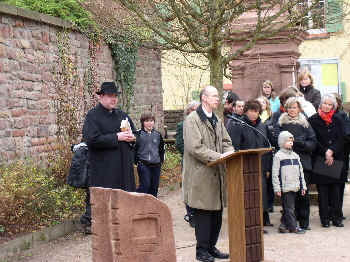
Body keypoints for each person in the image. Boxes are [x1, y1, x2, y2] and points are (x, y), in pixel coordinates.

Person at [183, 85, 234, 262]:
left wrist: (229, 152)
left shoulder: (217, 119)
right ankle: (201, 251)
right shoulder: (193, 120)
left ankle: (211, 247)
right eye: (213, 96)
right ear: (204, 98)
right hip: (201, 175)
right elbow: (194, 147)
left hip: (218, 174)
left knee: (216, 215)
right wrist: (218, 156)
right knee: (204, 215)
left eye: (217, 96)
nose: (217, 99)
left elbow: (227, 141)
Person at [82, 82, 136, 231]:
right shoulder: (93, 116)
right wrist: (116, 137)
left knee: (125, 203)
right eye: (110, 96)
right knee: (106, 206)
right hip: (104, 170)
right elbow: (91, 140)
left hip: (124, 168)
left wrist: (132, 139)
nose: (113, 99)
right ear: (101, 97)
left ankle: (125, 228)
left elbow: (135, 135)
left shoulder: (122, 115)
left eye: (115, 96)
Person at [226, 100, 273, 231]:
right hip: (245, 168)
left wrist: (268, 168)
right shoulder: (238, 125)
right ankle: (247, 224)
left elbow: (267, 147)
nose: (253, 114)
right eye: (251, 111)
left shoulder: (262, 126)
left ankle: (259, 224)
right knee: (247, 197)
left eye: (256, 111)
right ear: (246, 111)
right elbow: (234, 147)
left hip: (260, 167)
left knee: (260, 196)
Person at [273, 97, 317, 230]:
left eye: (295, 107)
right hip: (286, 163)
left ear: (299, 109)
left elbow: (313, 142)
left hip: (303, 162)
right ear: (287, 109)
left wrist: (301, 144)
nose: (292, 110)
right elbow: (276, 140)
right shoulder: (280, 122)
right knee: (288, 196)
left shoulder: (305, 123)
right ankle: (287, 221)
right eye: (290, 107)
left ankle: (304, 222)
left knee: (303, 195)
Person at [308, 94, 345, 228]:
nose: (327, 106)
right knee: (323, 191)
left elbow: (342, 138)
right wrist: (325, 152)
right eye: (325, 103)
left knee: (335, 190)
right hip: (321, 159)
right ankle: (324, 218)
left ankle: (336, 217)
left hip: (336, 157)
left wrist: (332, 151)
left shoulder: (339, 119)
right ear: (321, 104)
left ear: (333, 106)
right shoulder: (313, 120)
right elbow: (313, 139)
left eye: (330, 104)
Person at [272, 131, 307, 234]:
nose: (291, 143)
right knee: (290, 209)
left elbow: (301, 172)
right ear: (282, 142)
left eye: (292, 141)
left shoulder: (295, 156)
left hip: (295, 186)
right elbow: (275, 174)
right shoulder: (278, 156)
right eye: (288, 141)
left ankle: (283, 226)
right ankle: (293, 227)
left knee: (288, 208)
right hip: (285, 187)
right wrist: (277, 188)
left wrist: (303, 186)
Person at [175, 101, 200, 228]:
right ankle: (190, 214)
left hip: (202, 162)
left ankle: (199, 214)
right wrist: (191, 154)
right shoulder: (182, 125)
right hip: (189, 161)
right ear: (188, 111)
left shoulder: (202, 124)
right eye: (193, 109)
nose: (195, 111)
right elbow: (179, 144)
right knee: (189, 189)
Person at [135, 112, 165, 198]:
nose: (149, 123)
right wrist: (137, 162)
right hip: (143, 164)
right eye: (147, 121)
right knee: (145, 185)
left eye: (151, 121)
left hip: (156, 165)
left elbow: (162, 149)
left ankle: (152, 208)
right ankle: (136, 199)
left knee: (154, 187)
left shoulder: (158, 135)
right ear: (143, 122)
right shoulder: (138, 134)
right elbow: (134, 150)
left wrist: (161, 161)